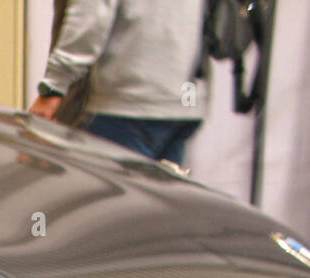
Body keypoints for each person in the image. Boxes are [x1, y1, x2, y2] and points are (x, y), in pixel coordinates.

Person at [28, 0, 208, 166]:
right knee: (161, 198)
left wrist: (53, 89)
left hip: (130, 102)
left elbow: (90, 19)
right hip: (187, 97)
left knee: (108, 198)